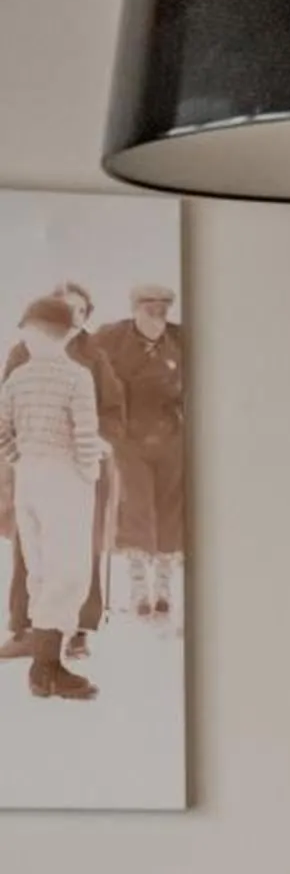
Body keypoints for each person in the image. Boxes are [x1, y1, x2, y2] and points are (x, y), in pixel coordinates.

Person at [0, 282, 124, 666]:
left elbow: (110, 413)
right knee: (38, 553)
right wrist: (19, 457)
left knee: (72, 554)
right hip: (55, 472)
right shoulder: (22, 359)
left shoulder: (93, 357)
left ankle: (75, 633)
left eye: (79, 310)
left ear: (84, 320)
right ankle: (32, 635)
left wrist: (94, 456)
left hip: (62, 468)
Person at [97, 278, 185, 628]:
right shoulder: (111, 338)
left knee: (169, 510)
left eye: (163, 312)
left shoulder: (180, 340)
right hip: (128, 437)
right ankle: (137, 587)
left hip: (171, 437)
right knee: (136, 507)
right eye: (150, 312)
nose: (157, 319)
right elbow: (90, 372)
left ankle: (163, 588)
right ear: (135, 311)